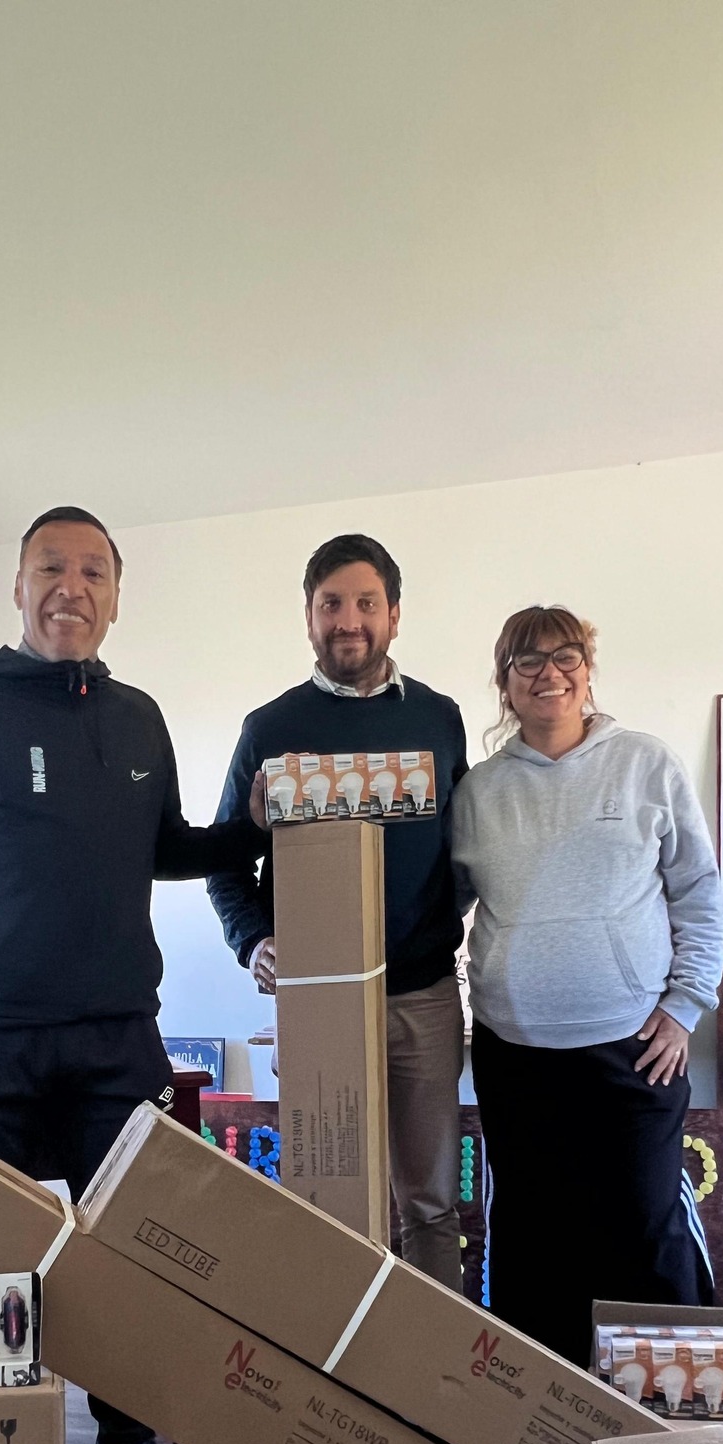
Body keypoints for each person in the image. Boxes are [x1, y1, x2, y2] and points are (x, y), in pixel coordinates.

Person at [0, 505, 267, 1444]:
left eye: (94, 572)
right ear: (17, 586)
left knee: (129, 1250)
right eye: (51, 567)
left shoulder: (137, 717)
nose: (71, 588)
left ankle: (127, 1442)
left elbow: (162, 845)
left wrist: (249, 832)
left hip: (115, 1032)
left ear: (117, 597)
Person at [450, 604, 723, 1366]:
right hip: (514, 1055)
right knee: (534, 1240)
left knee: (646, 1229)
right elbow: (440, 910)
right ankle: (548, 1407)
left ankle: (672, 1405)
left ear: (588, 667)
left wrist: (685, 1005)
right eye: (528, 661)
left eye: (564, 655)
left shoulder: (646, 765)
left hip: (633, 1051)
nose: (549, 673)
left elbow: (699, 892)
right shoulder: (478, 794)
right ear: (506, 683)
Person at [208, 534, 470, 1291]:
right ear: (309, 616)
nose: (348, 621)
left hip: (423, 997)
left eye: (365, 603)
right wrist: (253, 940)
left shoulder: (439, 719)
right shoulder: (269, 728)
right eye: (331, 605)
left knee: (430, 1206)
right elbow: (227, 858)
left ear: (394, 614)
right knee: (330, 1206)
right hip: (319, 1003)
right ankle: (341, 1351)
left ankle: (431, 1356)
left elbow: (466, 847)